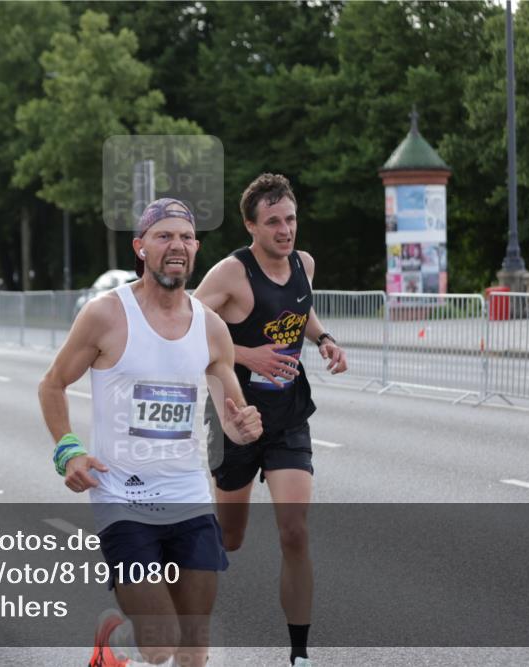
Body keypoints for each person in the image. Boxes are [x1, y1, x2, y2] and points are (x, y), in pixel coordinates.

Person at [39, 198, 262, 667]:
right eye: (164, 236)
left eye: (185, 236)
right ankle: (115, 639)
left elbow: (232, 418)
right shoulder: (106, 314)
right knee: (160, 645)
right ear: (141, 247)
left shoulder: (212, 328)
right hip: (122, 498)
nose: (176, 245)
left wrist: (244, 428)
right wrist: (69, 451)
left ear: (196, 247)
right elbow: (53, 384)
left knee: (193, 650)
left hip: (187, 494)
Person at [193, 173, 348, 667]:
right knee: (230, 537)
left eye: (291, 219)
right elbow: (182, 332)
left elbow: (300, 310)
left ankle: (300, 654)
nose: (286, 230)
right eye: (274, 222)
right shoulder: (229, 275)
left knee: (294, 531)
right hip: (235, 416)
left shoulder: (304, 263)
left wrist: (323, 340)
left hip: (287, 416)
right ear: (251, 227)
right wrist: (247, 355)